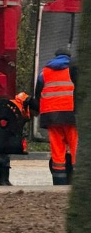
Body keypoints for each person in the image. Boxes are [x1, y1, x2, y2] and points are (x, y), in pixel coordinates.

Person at [30, 47, 78, 185]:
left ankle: (59, 182)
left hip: (51, 117)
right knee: (76, 149)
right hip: (71, 115)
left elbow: (38, 95)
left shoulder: (44, 72)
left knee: (57, 152)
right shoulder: (74, 70)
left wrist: (39, 111)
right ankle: (77, 183)